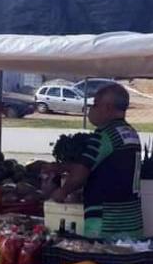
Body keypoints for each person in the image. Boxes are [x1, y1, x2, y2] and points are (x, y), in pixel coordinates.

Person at [50, 84, 143, 238]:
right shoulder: (130, 133)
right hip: (132, 222)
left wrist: (62, 191)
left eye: (95, 104)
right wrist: (61, 167)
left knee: (99, 262)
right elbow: (105, 165)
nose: (91, 110)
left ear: (107, 107)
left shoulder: (103, 135)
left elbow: (81, 174)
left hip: (106, 223)